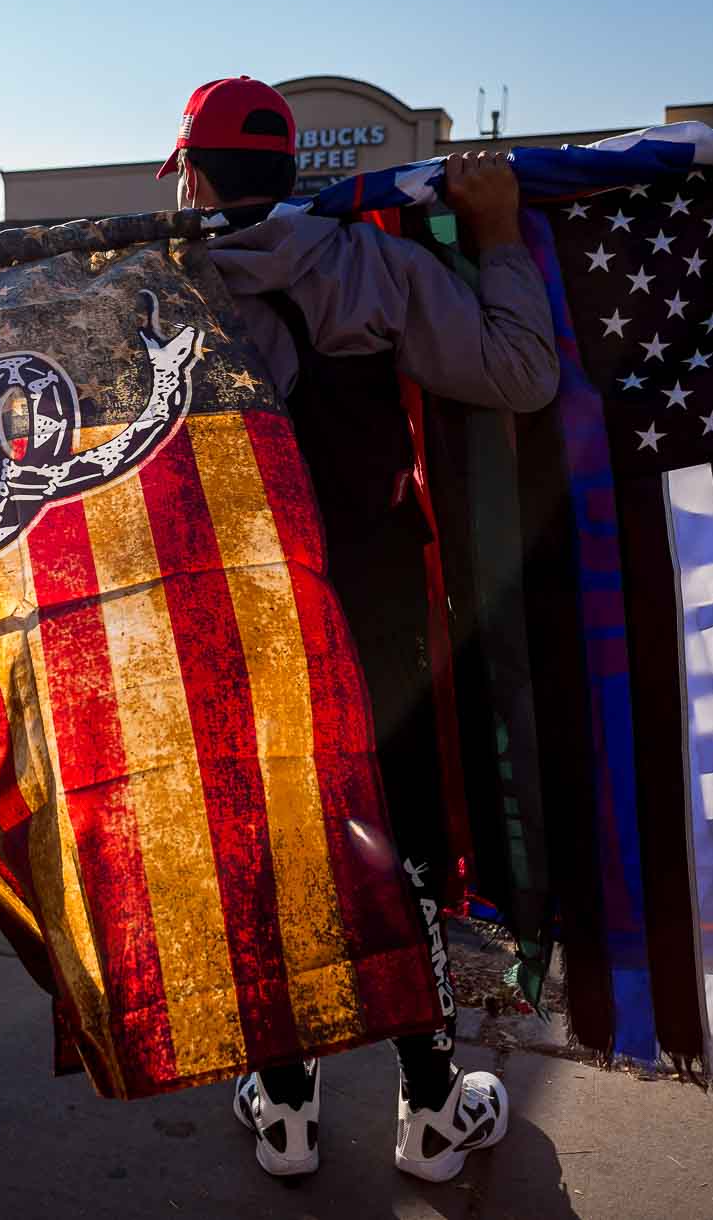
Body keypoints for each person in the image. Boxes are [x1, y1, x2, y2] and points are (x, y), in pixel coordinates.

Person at [161, 77, 559, 1182]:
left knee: (271, 845)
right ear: (294, 172)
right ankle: (430, 1109)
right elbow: (520, 374)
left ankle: (284, 1106)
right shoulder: (370, 265)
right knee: (397, 846)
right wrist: (495, 234)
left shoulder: (153, 286)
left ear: (189, 173)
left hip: (232, 608)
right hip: (367, 597)